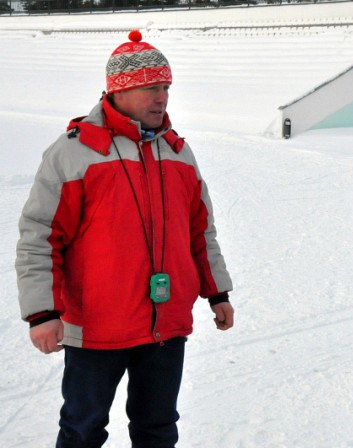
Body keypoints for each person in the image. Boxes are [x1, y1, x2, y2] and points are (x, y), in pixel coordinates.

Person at [15, 30, 234, 448]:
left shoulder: (178, 152)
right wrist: (43, 313)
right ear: (121, 90)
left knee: (158, 428)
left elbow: (200, 231)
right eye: (152, 87)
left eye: (166, 87)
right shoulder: (75, 152)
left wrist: (217, 292)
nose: (162, 98)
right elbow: (40, 236)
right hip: (97, 327)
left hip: (165, 325)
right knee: (82, 430)